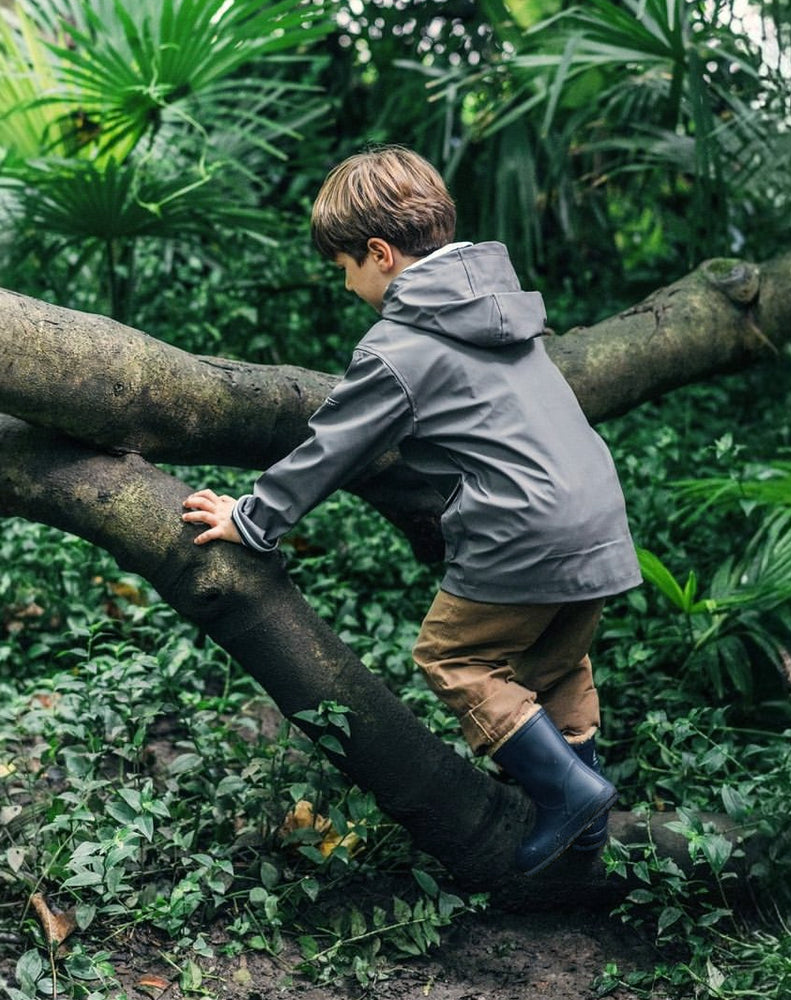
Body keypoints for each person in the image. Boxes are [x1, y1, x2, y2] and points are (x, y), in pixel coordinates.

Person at [181, 145, 642, 876]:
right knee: (554, 662)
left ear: (380, 254)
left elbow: (333, 446)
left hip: (521, 527)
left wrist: (252, 517)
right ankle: (585, 832)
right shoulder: (498, 308)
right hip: (598, 521)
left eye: (345, 269)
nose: (346, 286)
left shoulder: (401, 344)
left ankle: (569, 795)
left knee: (453, 654)